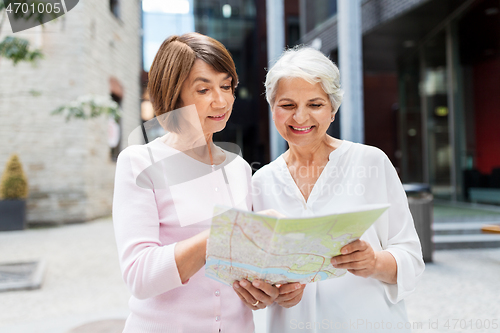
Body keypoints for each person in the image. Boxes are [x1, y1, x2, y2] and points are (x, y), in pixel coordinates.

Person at [247, 47, 425, 332]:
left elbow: (412, 260)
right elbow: (254, 276)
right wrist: (273, 291)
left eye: (315, 105)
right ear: (272, 109)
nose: (301, 117)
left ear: (333, 110)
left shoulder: (371, 163)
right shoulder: (260, 182)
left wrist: (374, 262)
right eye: (288, 105)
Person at [112, 32, 278, 333]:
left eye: (226, 86)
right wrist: (225, 234)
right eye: (203, 90)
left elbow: (243, 266)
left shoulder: (239, 168)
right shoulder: (140, 162)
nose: (222, 100)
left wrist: (262, 289)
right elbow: (140, 275)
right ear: (174, 94)